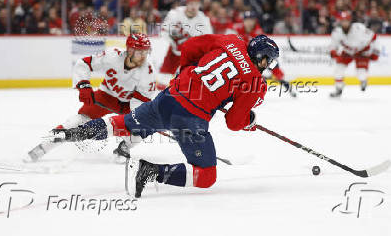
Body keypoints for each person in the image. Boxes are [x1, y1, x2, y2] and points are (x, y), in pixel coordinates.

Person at [50, 34, 280, 198]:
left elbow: (190, 45)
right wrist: (249, 121)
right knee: (206, 176)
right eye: (268, 62)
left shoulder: (230, 40)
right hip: (191, 119)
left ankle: (78, 132)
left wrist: (187, 72)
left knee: (125, 124)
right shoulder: (256, 83)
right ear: (262, 58)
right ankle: (151, 171)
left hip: (170, 96)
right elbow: (233, 122)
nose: (268, 66)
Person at [26, 34, 157, 162]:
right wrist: (84, 86)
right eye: (140, 52)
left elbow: (141, 101)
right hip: (105, 96)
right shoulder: (112, 55)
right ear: (130, 50)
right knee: (75, 122)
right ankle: (44, 147)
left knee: (141, 129)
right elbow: (84, 63)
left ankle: (125, 147)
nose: (143, 56)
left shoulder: (149, 72)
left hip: (127, 105)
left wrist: (137, 119)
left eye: (146, 52)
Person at [157, 0, 213, 90]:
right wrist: (171, 41)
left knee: (185, 86)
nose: (193, 7)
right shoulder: (175, 14)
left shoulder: (204, 20)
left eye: (196, 4)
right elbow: (163, 32)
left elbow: (208, 42)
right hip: (173, 53)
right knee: (162, 84)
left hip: (190, 57)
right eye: (191, 3)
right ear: (187, 3)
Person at [330, 11, 379, 97]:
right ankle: (338, 88)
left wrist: (375, 52)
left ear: (350, 21)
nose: (344, 23)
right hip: (347, 52)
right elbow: (333, 46)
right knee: (338, 69)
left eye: (346, 21)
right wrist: (333, 52)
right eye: (342, 21)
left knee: (361, 74)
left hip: (362, 51)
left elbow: (374, 37)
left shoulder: (359, 28)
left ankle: (363, 80)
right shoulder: (336, 32)